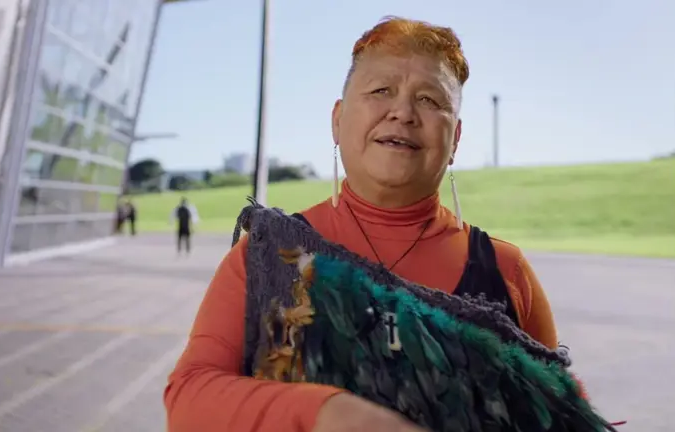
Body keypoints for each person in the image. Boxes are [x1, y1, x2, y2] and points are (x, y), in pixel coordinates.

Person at [164, 17, 561, 432]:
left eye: (429, 100)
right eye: (381, 91)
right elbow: (188, 400)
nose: (403, 112)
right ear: (337, 120)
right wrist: (326, 413)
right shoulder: (266, 256)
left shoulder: (507, 272)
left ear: (455, 139)